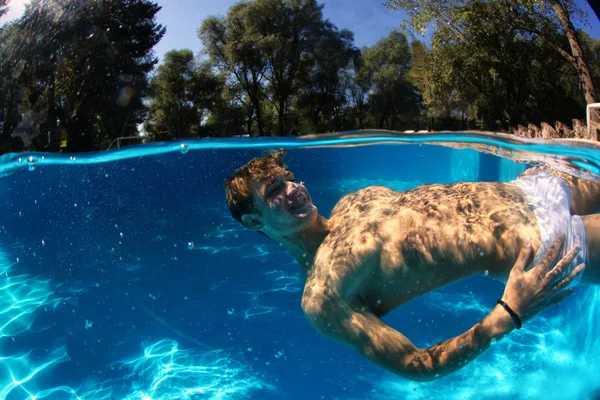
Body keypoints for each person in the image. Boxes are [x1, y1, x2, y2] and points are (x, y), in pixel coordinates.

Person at [223, 150, 600, 381]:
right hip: (543, 240)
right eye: (274, 191)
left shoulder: (351, 202)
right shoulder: (322, 295)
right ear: (255, 222)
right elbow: (414, 364)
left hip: (535, 186)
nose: (293, 189)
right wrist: (506, 315)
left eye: (288, 179)